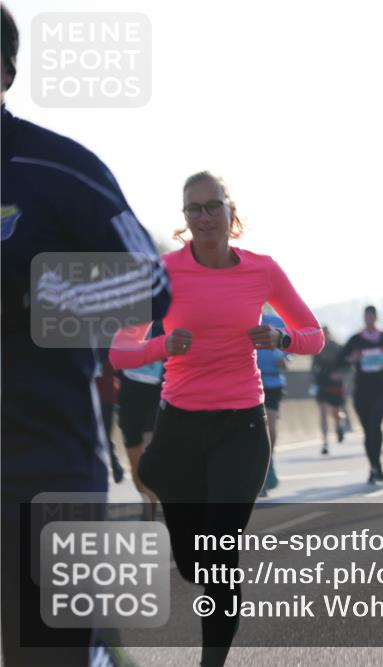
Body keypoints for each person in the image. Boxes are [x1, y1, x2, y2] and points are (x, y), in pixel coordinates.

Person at [1, 7, 172, 664]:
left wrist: (30, 292)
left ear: (6, 71)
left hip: (42, 467)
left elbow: (151, 285)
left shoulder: (59, 169)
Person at [110, 171, 323, 666]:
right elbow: (119, 353)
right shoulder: (162, 272)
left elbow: (312, 334)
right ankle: (163, 485)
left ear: (232, 212)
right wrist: (163, 345)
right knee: (193, 562)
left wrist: (282, 339)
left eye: (212, 206)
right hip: (181, 426)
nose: (203, 217)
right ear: (185, 219)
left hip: (243, 428)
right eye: (193, 209)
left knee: (220, 557)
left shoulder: (262, 270)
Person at [335, 305, 383, 483]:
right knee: (369, 430)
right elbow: (340, 360)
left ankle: (376, 465)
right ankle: (374, 466)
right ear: (363, 318)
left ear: (375, 318)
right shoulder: (356, 340)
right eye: (365, 316)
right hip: (362, 390)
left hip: (381, 388)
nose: (368, 320)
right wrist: (352, 359)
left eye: (371, 317)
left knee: (375, 424)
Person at [117, 321, 166, 521]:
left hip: (156, 393)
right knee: (133, 453)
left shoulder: (166, 322)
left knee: (148, 448)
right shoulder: (126, 322)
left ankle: (150, 505)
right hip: (129, 393)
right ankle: (146, 496)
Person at [257, 309, 290, 496]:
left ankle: (270, 461)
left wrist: (286, 359)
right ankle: (259, 472)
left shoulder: (276, 320)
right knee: (257, 428)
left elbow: (287, 347)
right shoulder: (240, 316)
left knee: (270, 426)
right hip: (249, 382)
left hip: (274, 382)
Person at [312, 326, 347, 454]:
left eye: (326, 333)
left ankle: (339, 426)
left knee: (336, 412)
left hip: (335, 383)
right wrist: (313, 379)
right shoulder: (317, 348)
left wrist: (340, 374)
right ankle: (325, 442)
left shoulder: (337, 347)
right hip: (322, 383)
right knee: (323, 412)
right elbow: (314, 366)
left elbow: (346, 364)